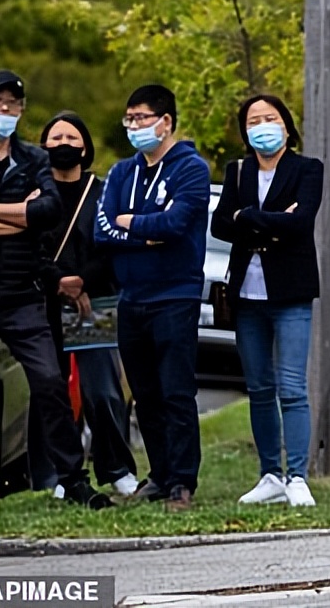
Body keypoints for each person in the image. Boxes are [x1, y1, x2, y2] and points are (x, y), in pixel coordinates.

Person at [0, 70, 112, 516]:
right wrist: (20, 215)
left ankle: (72, 479)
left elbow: (49, 211)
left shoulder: (34, 158)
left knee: (50, 382)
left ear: (21, 110)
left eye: (12, 103)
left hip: (21, 294)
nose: (4, 110)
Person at [95, 84, 211, 512]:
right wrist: (143, 232)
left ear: (165, 122)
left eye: (141, 118)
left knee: (175, 391)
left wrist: (130, 224)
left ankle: (182, 480)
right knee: (144, 393)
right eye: (129, 119)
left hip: (175, 294)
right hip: (132, 297)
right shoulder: (121, 173)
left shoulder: (191, 169)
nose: (133, 127)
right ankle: (159, 473)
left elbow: (176, 224)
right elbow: (102, 230)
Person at [211, 95, 323, 506]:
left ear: (287, 126)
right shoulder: (237, 171)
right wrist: (268, 222)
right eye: (253, 120)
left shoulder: (307, 169)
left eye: (270, 118)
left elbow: (301, 222)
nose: (262, 126)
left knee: (292, 388)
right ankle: (270, 474)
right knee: (259, 387)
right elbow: (220, 224)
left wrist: (247, 218)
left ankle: (298, 475)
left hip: (290, 291)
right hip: (246, 294)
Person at [32, 112, 139, 498]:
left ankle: (116, 467)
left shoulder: (104, 191)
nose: (64, 144)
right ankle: (60, 474)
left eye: (72, 138)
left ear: (85, 147)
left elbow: (115, 246)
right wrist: (58, 282)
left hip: (95, 300)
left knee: (103, 389)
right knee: (50, 388)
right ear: (44, 146)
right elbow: (25, 248)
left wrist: (82, 282)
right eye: (56, 137)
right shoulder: (32, 193)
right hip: (44, 301)